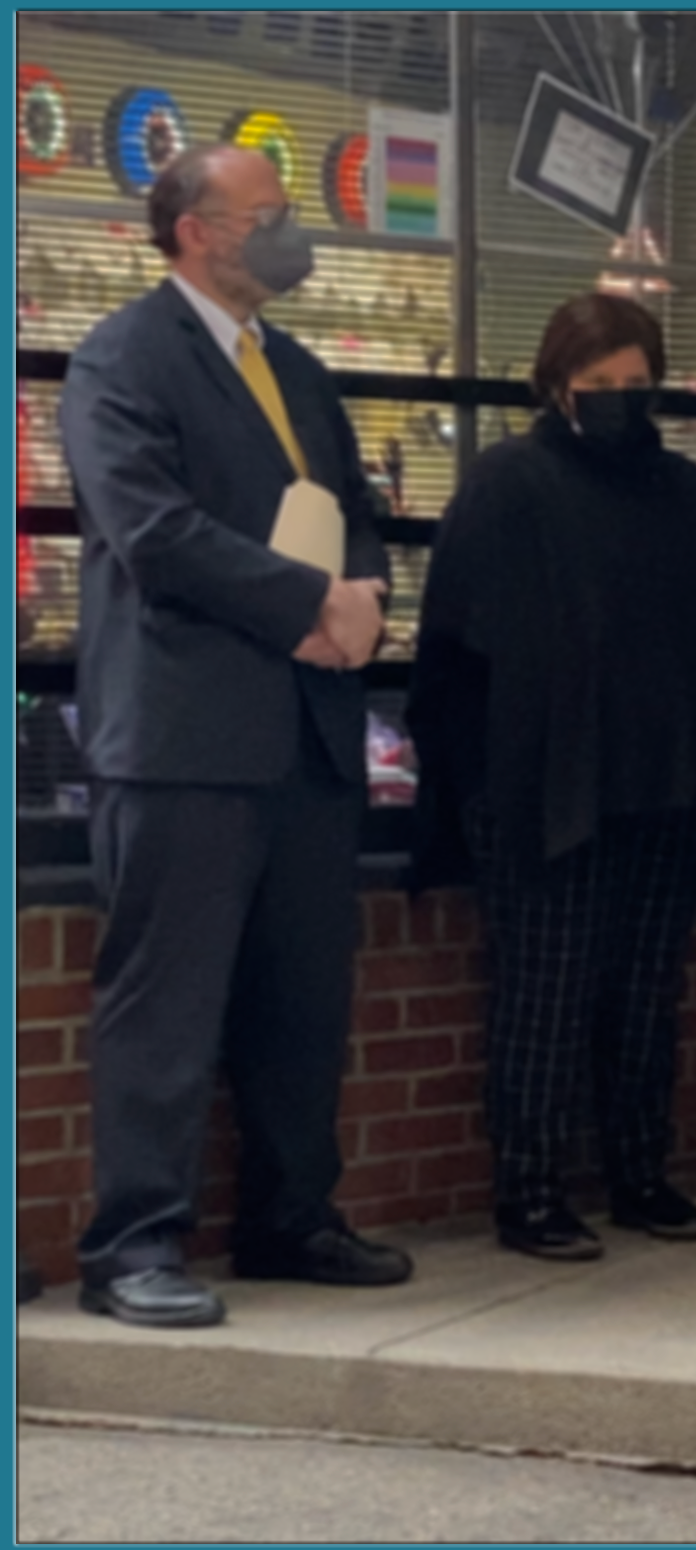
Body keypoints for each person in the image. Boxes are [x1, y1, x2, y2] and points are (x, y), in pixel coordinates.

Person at [58, 144, 410, 1327]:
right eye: (270, 214)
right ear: (197, 230)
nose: (292, 232)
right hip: (182, 735)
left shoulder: (300, 369)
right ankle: (134, 1245)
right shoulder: (123, 357)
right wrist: (306, 604)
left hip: (307, 732)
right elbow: (154, 531)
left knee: (302, 998)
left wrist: (361, 599)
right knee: (165, 1004)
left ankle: (290, 1216)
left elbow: (356, 512)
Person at [406, 294, 696, 1262]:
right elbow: (449, 653)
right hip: (543, 793)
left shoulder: (691, 496)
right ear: (555, 383)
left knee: (645, 993)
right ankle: (526, 1190)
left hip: (666, 789)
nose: (619, 400)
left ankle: (638, 1170)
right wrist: (471, 786)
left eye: (633, 384)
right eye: (599, 384)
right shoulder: (505, 486)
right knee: (545, 992)